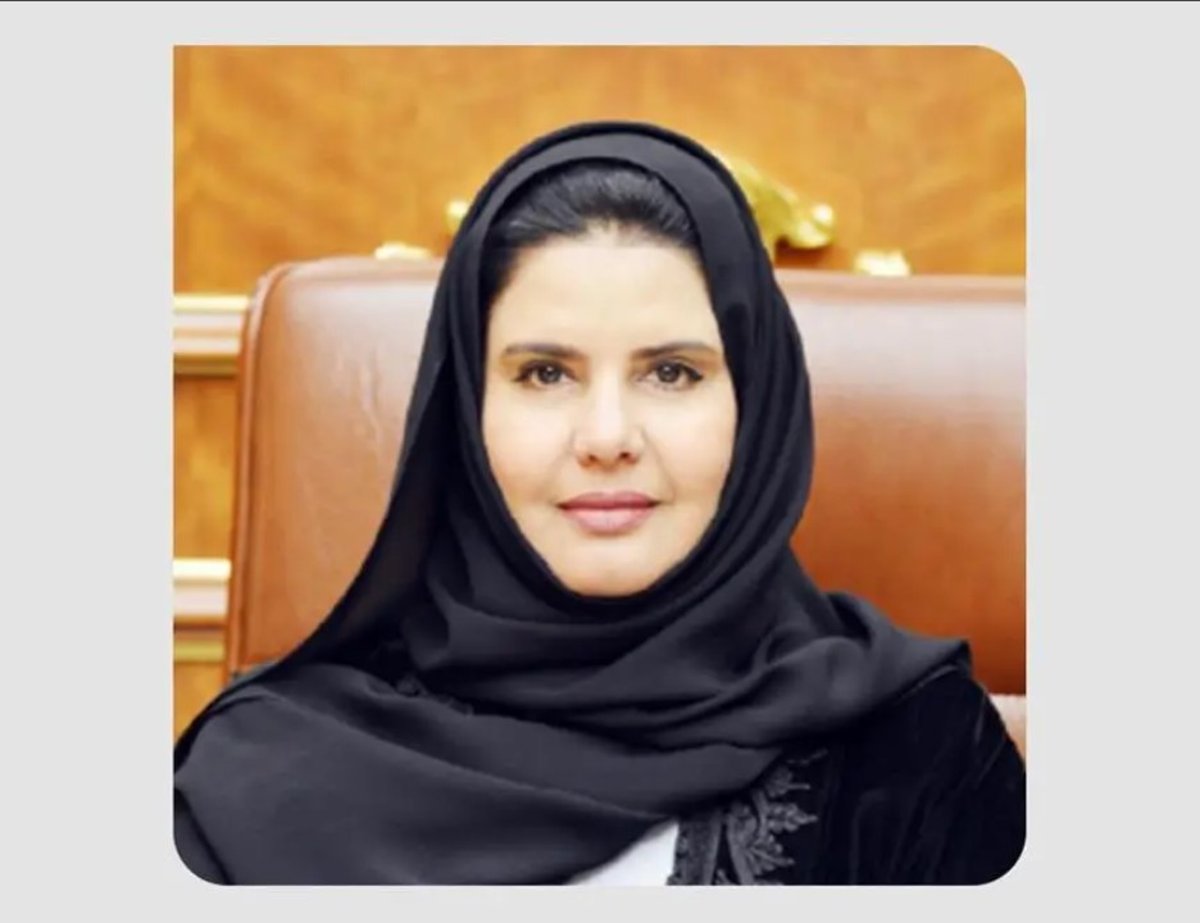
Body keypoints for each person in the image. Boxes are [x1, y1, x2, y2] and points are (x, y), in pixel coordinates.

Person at [173, 120, 1025, 886]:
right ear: (465, 413)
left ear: (756, 409)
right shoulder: (252, 774)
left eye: (672, 373)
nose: (608, 435)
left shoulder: (917, 751)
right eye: (546, 373)